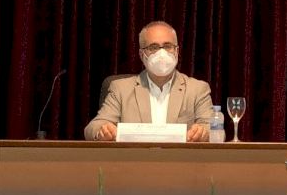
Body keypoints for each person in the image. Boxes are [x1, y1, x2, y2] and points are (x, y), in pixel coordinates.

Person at [84, 21, 214, 142]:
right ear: (142, 55)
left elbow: (214, 129)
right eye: (153, 47)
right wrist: (103, 131)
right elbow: (92, 128)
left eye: (168, 46)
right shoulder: (121, 89)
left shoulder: (197, 89)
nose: (162, 53)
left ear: (177, 51)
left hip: (180, 158)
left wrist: (203, 132)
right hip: (135, 158)